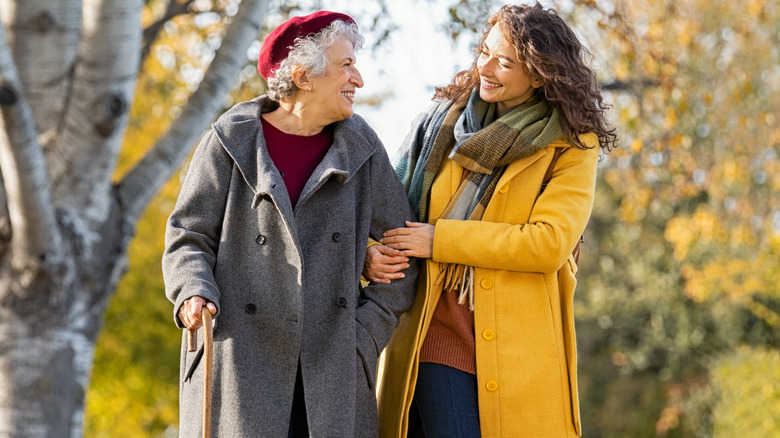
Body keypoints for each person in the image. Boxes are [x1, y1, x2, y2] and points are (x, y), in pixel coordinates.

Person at [162, 11, 418, 437]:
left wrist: (363, 338)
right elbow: (189, 236)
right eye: (346, 65)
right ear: (303, 76)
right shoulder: (229, 141)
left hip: (333, 370)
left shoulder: (362, 146)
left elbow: (406, 245)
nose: (359, 79)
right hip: (240, 360)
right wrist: (193, 291)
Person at [367, 3, 617, 437]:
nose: (487, 67)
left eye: (505, 62)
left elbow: (549, 243)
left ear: (540, 74)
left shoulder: (571, 144)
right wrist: (372, 255)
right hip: (433, 334)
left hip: (521, 351)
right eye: (484, 52)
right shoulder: (439, 123)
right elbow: (380, 212)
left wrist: (440, 241)